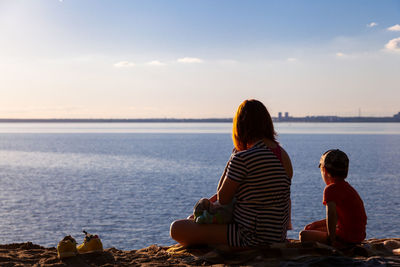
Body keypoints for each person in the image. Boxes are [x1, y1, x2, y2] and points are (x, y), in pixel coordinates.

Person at [170, 99, 293, 247]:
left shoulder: (243, 158)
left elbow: (223, 198)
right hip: (276, 234)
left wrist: (231, 159)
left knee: (177, 228)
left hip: (249, 236)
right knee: (192, 219)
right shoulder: (283, 155)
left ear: (240, 127)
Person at [299, 149, 367, 246]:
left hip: (346, 238)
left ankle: (335, 243)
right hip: (357, 236)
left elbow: (331, 215)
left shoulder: (330, 189)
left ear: (325, 170)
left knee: (304, 235)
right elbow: (339, 218)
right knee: (311, 228)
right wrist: (317, 224)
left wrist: (331, 239)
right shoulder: (348, 188)